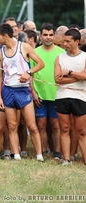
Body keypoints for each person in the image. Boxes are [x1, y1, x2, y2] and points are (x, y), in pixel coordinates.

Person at [0, 23, 45, 162]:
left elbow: (41, 64)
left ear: (5, 36)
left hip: (23, 90)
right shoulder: (0, 53)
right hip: (8, 90)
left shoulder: (24, 47)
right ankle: (16, 155)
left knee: (32, 126)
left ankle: (39, 155)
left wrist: (28, 72)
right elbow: (0, 76)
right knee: (11, 125)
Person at [31, 22, 64, 160]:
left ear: (55, 36)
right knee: (41, 124)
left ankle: (57, 152)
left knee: (56, 125)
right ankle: (43, 151)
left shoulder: (61, 53)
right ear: (40, 36)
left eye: (51, 35)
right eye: (45, 35)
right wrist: (33, 92)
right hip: (40, 95)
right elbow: (30, 75)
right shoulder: (34, 53)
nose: (48, 37)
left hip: (57, 95)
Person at [54, 29, 86, 165]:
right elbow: (57, 79)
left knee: (82, 130)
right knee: (64, 128)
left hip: (80, 96)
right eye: (64, 41)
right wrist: (78, 77)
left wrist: (69, 72)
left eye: (68, 41)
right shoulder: (60, 58)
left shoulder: (84, 57)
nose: (65, 44)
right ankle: (66, 159)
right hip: (62, 96)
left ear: (77, 42)